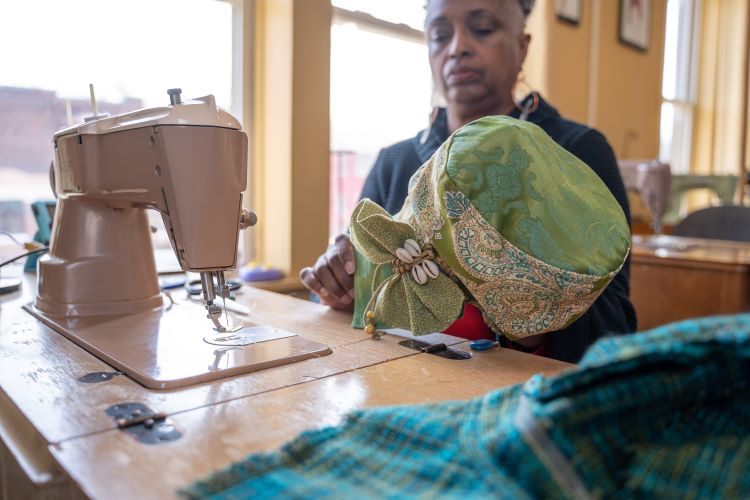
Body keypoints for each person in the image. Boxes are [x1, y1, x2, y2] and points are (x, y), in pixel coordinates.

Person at [300, 0, 637, 363]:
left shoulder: (577, 153)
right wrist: (342, 285)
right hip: (399, 386)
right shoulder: (395, 163)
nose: (457, 47)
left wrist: (533, 320)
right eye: (440, 36)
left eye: (482, 29)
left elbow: (616, 329)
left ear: (522, 48)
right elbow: (363, 303)